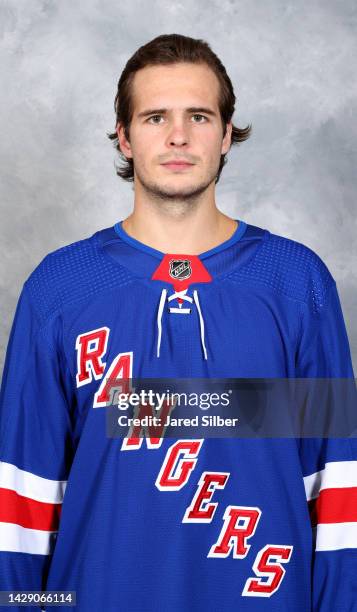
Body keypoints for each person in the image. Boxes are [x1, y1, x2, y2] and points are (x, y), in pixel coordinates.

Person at [0, 33, 356, 611]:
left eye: (199, 115)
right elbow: (22, 502)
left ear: (225, 135)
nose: (178, 136)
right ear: (124, 135)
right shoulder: (58, 289)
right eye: (154, 117)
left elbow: (340, 491)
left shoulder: (297, 283)